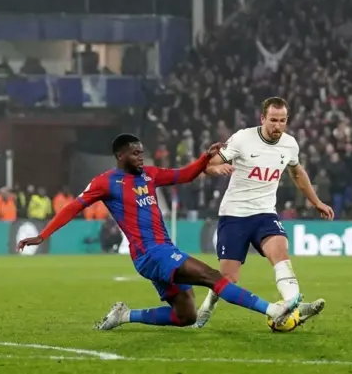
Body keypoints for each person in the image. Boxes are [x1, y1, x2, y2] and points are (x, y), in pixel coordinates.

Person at [17, 133, 302, 330]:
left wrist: (204, 158)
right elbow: (72, 207)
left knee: (186, 316)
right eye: (135, 153)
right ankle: (272, 310)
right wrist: (42, 235)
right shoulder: (106, 182)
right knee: (212, 276)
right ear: (120, 155)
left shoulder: (149, 174)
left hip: (162, 250)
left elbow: (185, 175)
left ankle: (125, 315)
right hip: (151, 254)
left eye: (142, 152)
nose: (141, 157)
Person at [194, 97, 333, 329]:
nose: (277, 126)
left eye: (282, 120)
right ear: (262, 118)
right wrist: (216, 169)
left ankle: (295, 305)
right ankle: (207, 306)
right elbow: (208, 164)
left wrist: (316, 201)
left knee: (280, 253)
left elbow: (297, 173)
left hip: (265, 213)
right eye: (273, 120)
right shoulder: (242, 138)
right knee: (228, 279)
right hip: (234, 215)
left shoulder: (289, 144)